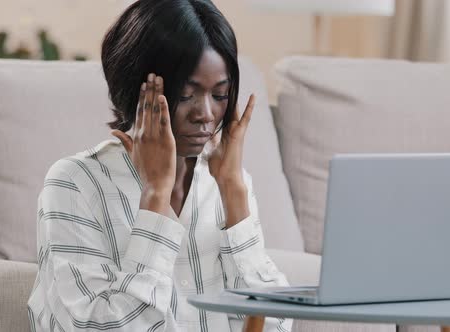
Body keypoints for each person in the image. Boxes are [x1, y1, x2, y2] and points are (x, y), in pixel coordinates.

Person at [26, 0, 292, 331]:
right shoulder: (74, 184)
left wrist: (234, 191)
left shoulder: (228, 184)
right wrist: (155, 197)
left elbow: (273, 325)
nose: (205, 114)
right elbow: (100, 328)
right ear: (137, 90)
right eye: (186, 94)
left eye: (220, 96)